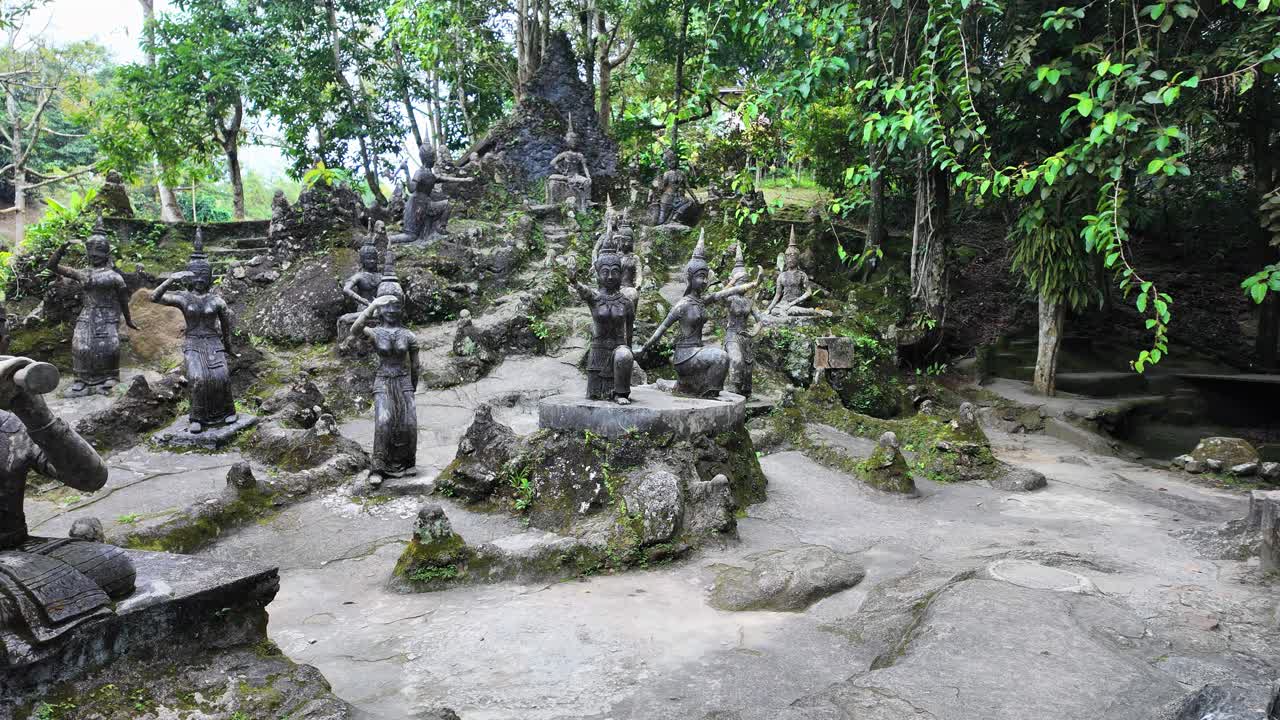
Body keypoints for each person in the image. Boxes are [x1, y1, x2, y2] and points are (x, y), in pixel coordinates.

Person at [0, 355, 136, 648]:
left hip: (18, 551)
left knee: (115, 566)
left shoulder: (10, 424)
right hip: (15, 566)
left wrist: (35, 412)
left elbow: (91, 478)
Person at [637, 231, 760, 398]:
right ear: (690, 277)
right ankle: (708, 394)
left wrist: (753, 284)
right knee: (721, 357)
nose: (704, 281)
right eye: (700, 277)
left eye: (705, 277)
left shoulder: (701, 301)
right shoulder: (683, 305)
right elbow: (661, 330)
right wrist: (643, 349)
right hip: (685, 356)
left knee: (720, 358)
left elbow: (726, 293)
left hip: (698, 351)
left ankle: (701, 391)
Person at [151, 229, 238, 434]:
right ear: (189, 276)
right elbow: (155, 297)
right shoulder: (183, 298)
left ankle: (226, 412)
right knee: (198, 378)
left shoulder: (217, 301)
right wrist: (171, 280)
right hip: (193, 343)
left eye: (203, 275)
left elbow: (226, 328)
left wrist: (229, 348)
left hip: (213, 343)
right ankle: (197, 417)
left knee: (221, 376)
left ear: (209, 276)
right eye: (195, 275)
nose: (199, 279)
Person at [351, 252, 419, 483]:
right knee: (384, 421)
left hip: (402, 380)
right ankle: (378, 468)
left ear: (401, 309)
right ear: (381, 309)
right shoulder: (375, 332)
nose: (391, 310)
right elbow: (355, 331)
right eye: (386, 306)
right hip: (383, 380)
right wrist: (371, 308)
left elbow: (416, 365)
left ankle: (408, 461)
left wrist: (413, 387)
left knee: (409, 422)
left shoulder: (408, 335)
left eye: (395, 306)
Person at [48, 218, 138, 395]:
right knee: (81, 345)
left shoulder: (114, 277)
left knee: (109, 346)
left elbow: (123, 300)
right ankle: (81, 379)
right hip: (87, 315)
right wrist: (62, 247)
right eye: (92, 252)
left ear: (106, 253)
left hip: (107, 316)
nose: (94, 255)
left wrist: (128, 320)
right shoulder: (82, 273)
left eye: (99, 252)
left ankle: (109, 377)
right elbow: (52, 266)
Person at [572, 234, 635, 404]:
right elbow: (583, 291)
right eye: (605, 272)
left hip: (619, 350)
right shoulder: (595, 298)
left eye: (615, 272)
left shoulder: (626, 302)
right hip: (598, 352)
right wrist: (574, 280)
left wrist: (630, 354)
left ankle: (620, 393)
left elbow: (629, 332)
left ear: (621, 274)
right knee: (594, 396)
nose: (610, 277)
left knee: (624, 355)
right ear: (598, 274)